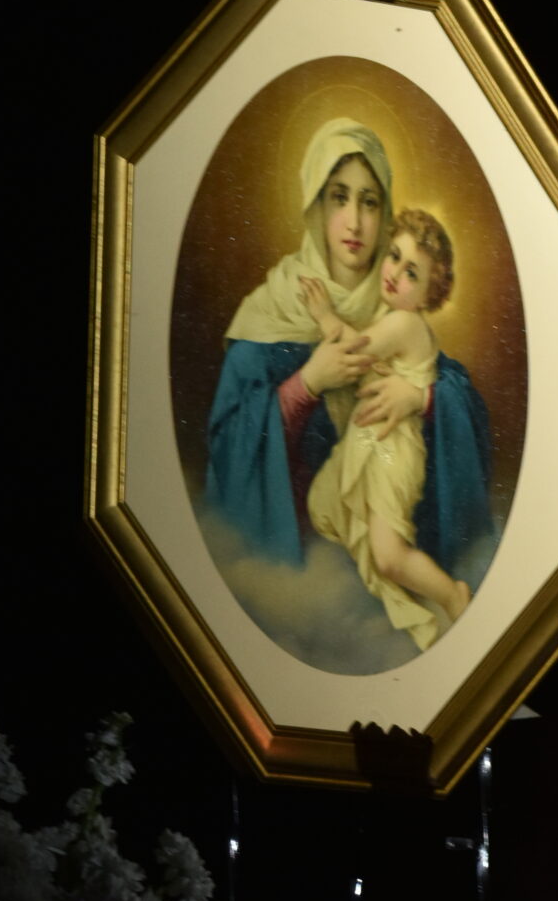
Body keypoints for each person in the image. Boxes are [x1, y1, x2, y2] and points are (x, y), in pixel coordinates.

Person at [203, 118, 493, 587]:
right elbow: (226, 450)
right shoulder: (271, 310)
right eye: (339, 197)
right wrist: (306, 385)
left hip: (381, 558)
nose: (355, 222)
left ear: (386, 212)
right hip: (295, 572)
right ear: (316, 204)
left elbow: (466, 406)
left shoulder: (399, 306)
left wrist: (422, 399)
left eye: (370, 202)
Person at [302, 210, 472, 649]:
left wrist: (324, 316)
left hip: (394, 451)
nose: (395, 273)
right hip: (374, 441)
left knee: (390, 557)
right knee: (331, 508)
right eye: (394, 256)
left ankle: (452, 596)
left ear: (430, 292)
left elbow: (354, 352)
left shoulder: (405, 323)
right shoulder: (392, 316)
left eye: (412, 272)